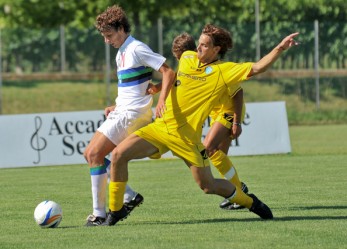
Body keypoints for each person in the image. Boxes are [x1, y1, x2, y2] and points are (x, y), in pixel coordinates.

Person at [102, 23, 299, 226]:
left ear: (216, 50)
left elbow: (258, 67)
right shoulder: (188, 58)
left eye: (204, 46)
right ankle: (115, 211)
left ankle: (250, 201)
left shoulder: (223, 71)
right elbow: (176, 77)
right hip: (161, 129)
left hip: (187, 139)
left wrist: (280, 48)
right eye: (199, 44)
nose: (198, 48)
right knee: (118, 155)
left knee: (208, 186)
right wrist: (159, 89)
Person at [83, 5, 176, 226]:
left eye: (109, 35)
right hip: (123, 111)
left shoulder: (136, 48)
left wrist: (161, 99)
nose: (107, 40)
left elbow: (169, 72)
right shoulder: (121, 53)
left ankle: (99, 214)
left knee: (95, 153)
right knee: (90, 155)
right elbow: (130, 87)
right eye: (104, 36)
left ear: (122, 28)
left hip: (132, 114)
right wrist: (115, 106)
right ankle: (129, 196)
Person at [171, 33, 249, 210]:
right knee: (218, 155)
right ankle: (236, 191)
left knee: (209, 148)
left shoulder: (217, 68)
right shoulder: (194, 67)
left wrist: (236, 122)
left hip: (229, 112)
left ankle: (239, 191)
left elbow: (238, 93)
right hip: (217, 114)